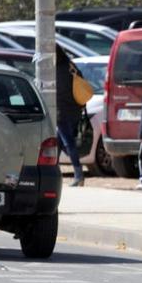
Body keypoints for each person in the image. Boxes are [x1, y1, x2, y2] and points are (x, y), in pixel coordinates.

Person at [55, 46, 86, 187]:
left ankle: (79, 175)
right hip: (75, 110)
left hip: (62, 112)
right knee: (57, 142)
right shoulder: (71, 66)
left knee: (68, 143)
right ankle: (53, 172)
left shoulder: (55, 71)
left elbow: (57, 93)